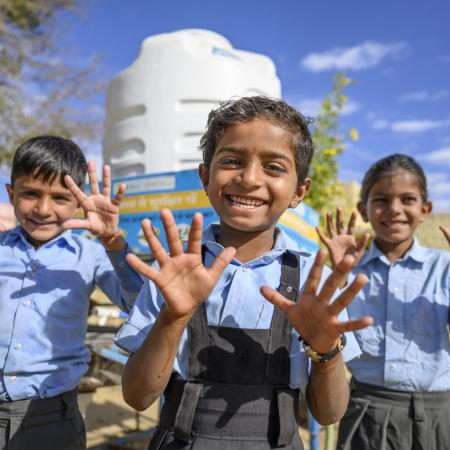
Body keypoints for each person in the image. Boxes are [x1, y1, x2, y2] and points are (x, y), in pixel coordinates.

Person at [115, 96, 373, 449]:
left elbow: (328, 414)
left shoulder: (314, 284)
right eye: (232, 161)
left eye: (274, 167)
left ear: (299, 191)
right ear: (205, 176)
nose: (249, 178)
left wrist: (326, 352)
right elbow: (137, 396)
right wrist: (172, 319)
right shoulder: (173, 274)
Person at [0, 135, 143, 450]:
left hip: (51, 416)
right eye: (30, 193)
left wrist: (114, 242)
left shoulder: (91, 254)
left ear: (79, 202)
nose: (43, 208)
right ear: (11, 194)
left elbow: (138, 305)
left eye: (60, 198)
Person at [316, 154, 450, 450]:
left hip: (438, 415)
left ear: (425, 209)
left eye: (408, 199)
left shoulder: (444, 267)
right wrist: (338, 277)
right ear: (363, 210)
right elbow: (327, 333)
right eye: (381, 200)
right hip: (367, 411)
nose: (395, 209)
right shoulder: (348, 270)